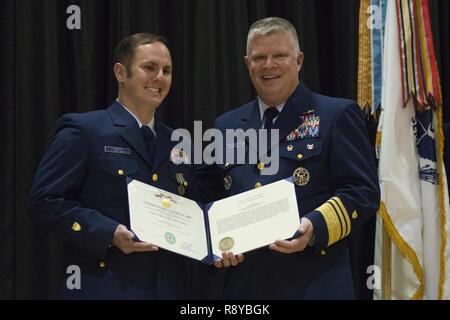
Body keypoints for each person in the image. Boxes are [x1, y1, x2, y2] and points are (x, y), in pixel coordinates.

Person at [198, 17, 380, 299]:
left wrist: (314, 226)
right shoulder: (226, 125)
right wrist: (213, 248)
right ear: (248, 63)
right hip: (247, 289)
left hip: (314, 283)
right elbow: (210, 196)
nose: (268, 65)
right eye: (259, 57)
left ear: (299, 60)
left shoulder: (335, 115)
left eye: (280, 55)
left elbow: (363, 192)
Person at [28, 33, 201, 299]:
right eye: (149, 68)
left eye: (166, 71)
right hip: (105, 286)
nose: (160, 78)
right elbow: (44, 201)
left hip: (167, 288)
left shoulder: (178, 143)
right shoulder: (85, 130)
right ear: (121, 72)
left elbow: (194, 210)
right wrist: (108, 232)